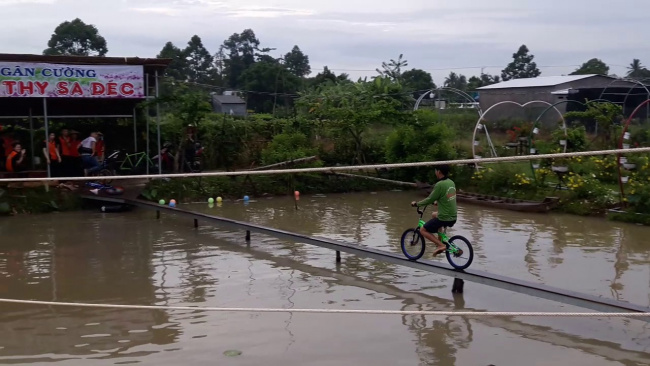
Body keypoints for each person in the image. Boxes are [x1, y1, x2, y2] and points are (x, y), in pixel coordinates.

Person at [411, 164, 458, 257]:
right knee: (433, 214)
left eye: (435, 170)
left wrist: (417, 204)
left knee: (423, 230)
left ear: (439, 172)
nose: (435, 172)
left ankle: (441, 245)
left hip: (444, 217)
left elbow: (429, 199)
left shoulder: (439, 184)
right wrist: (438, 202)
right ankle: (440, 240)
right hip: (453, 216)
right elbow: (448, 197)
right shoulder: (451, 182)